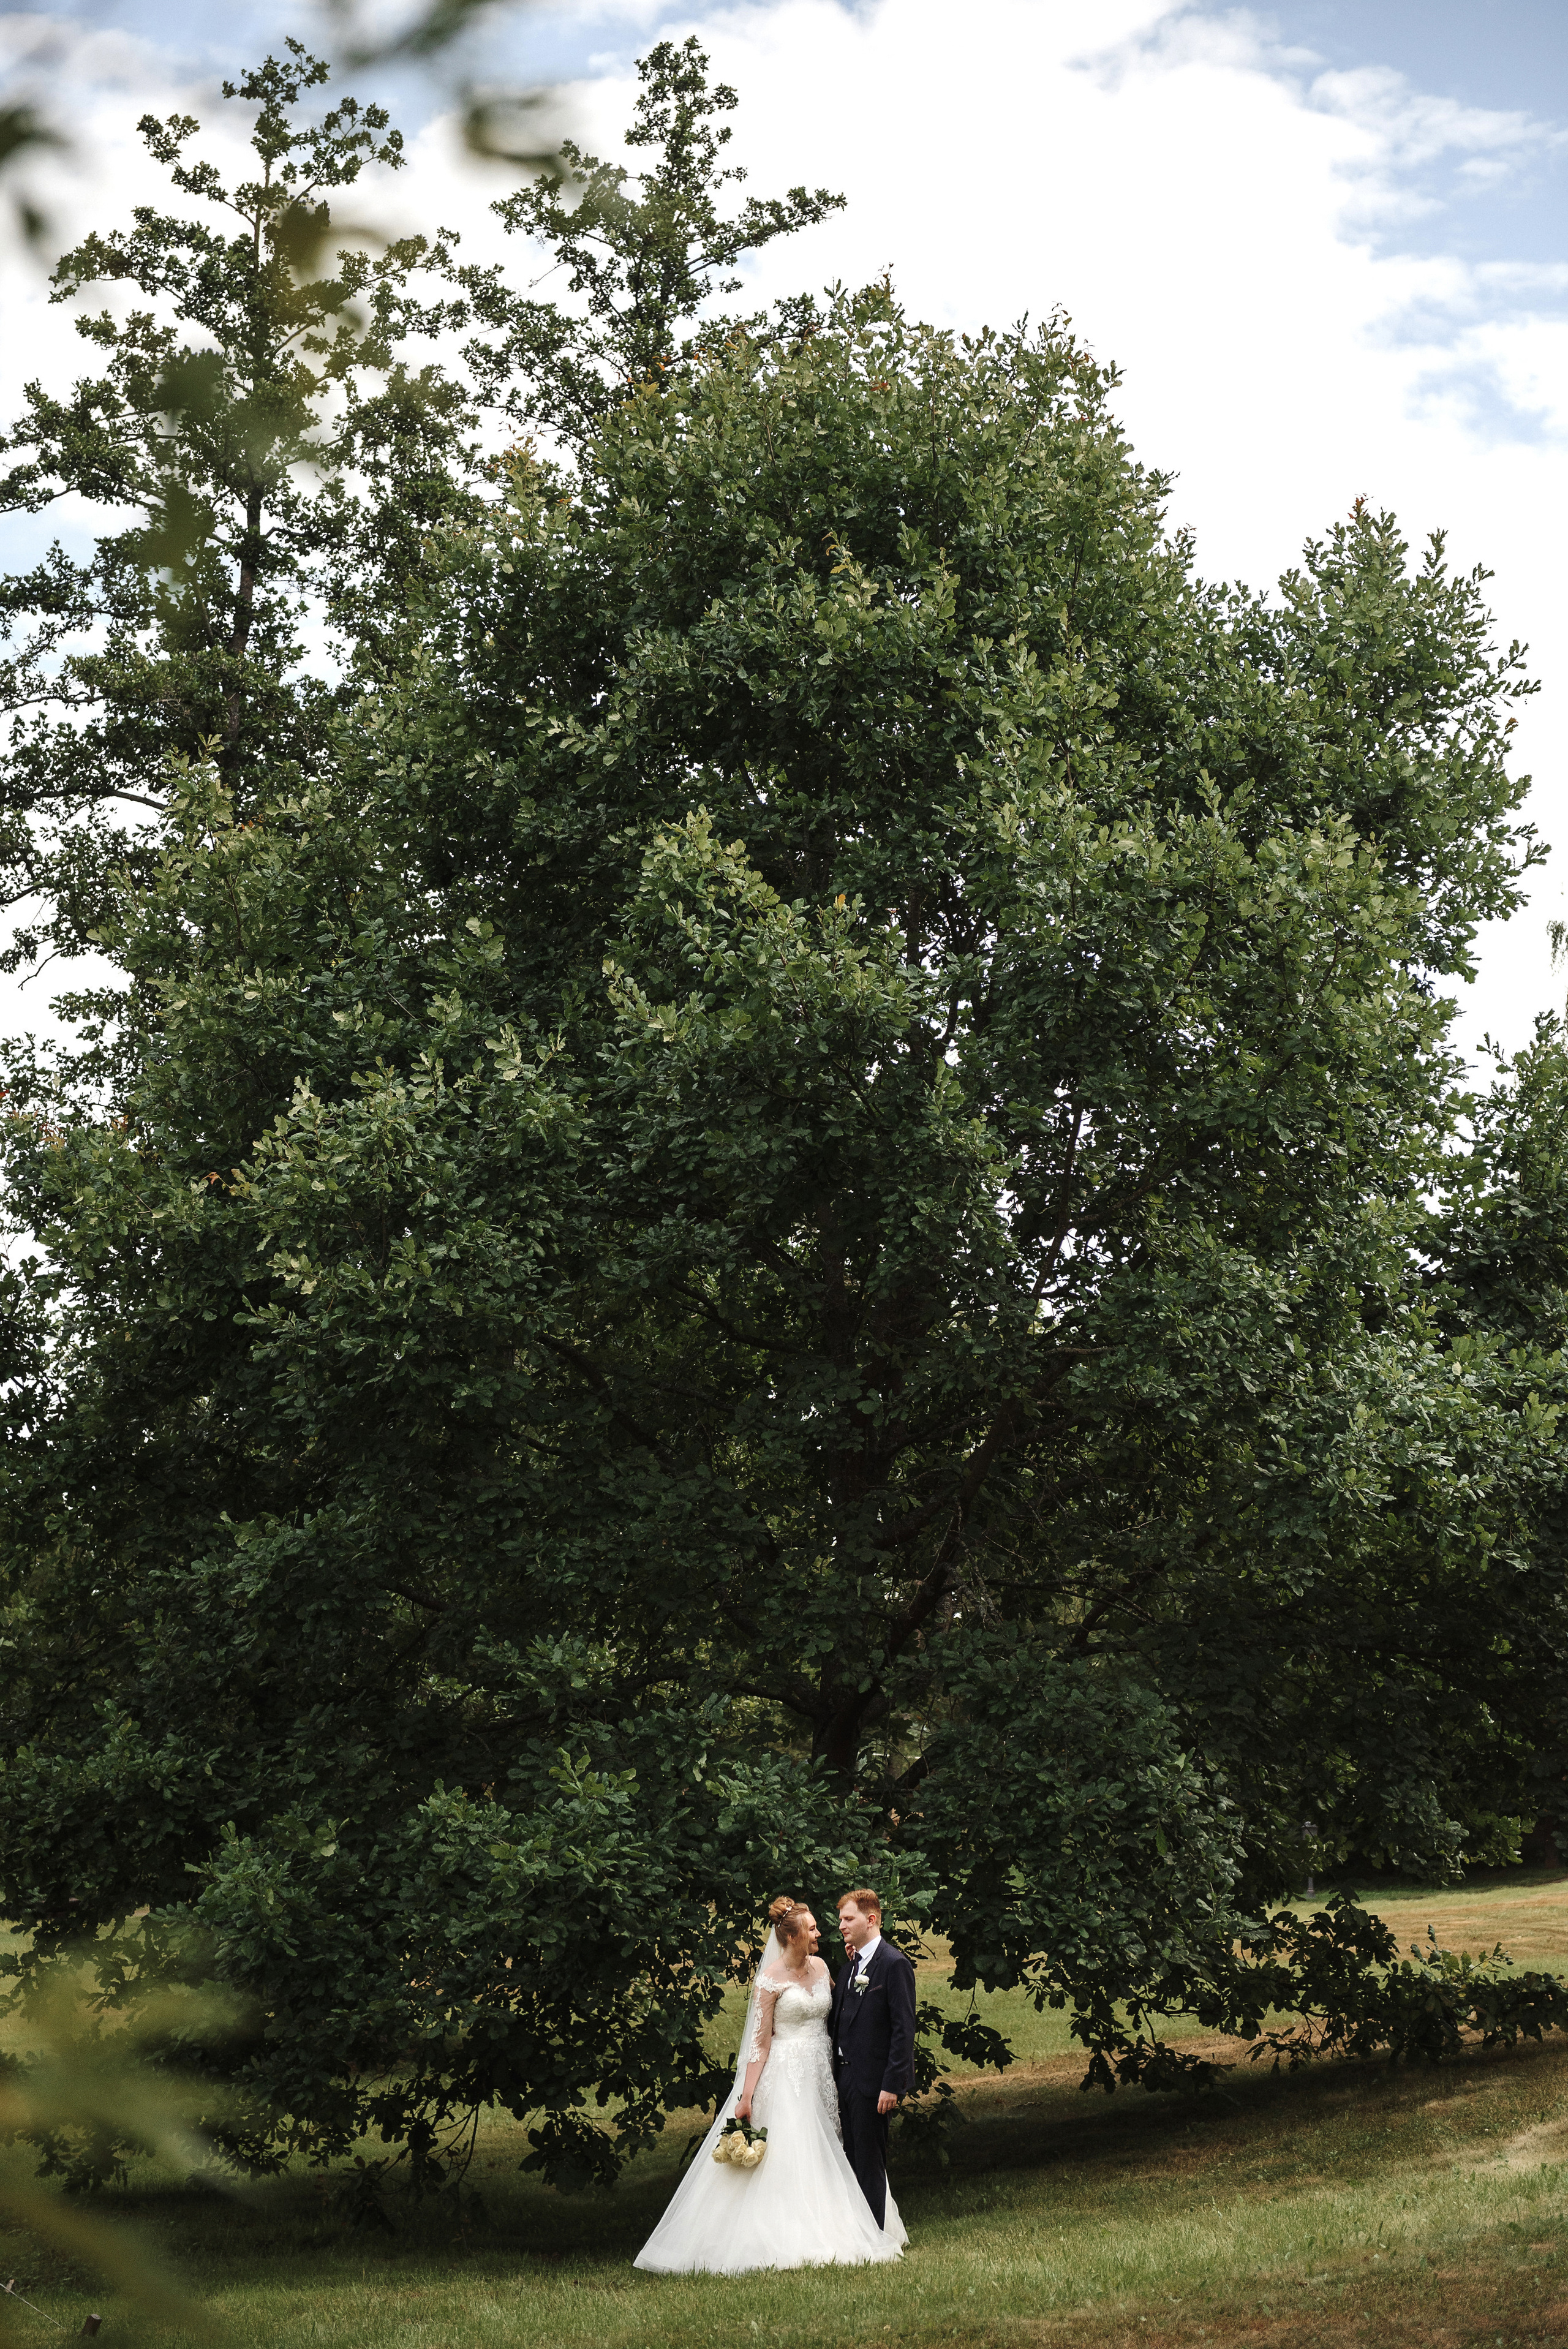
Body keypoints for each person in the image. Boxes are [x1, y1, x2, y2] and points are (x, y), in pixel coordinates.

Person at [633, 1895, 907, 2273]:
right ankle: (793, 2234)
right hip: (787, 2076)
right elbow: (759, 2045)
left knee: (836, 2148)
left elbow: (844, 2010)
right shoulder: (770, 1980)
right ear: (792, 1938)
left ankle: (858, 2222)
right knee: (796, 2151)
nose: (820, 1933)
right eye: (812, 1929)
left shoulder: (827, 1966)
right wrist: (746, 2097)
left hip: (825, 2074)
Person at [829, 1887, 916, 2229]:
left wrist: (892, 2085)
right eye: (840, 1920)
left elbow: (903, 2030)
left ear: (872, 1919)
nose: (841, 1925)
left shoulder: (894, 1965)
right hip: (844, 2079)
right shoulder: (851, 1965)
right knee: (850, 2159)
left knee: (869, 2162)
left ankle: (876, 2236)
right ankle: (856, 2234)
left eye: (848, 1918)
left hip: (874, 2084)